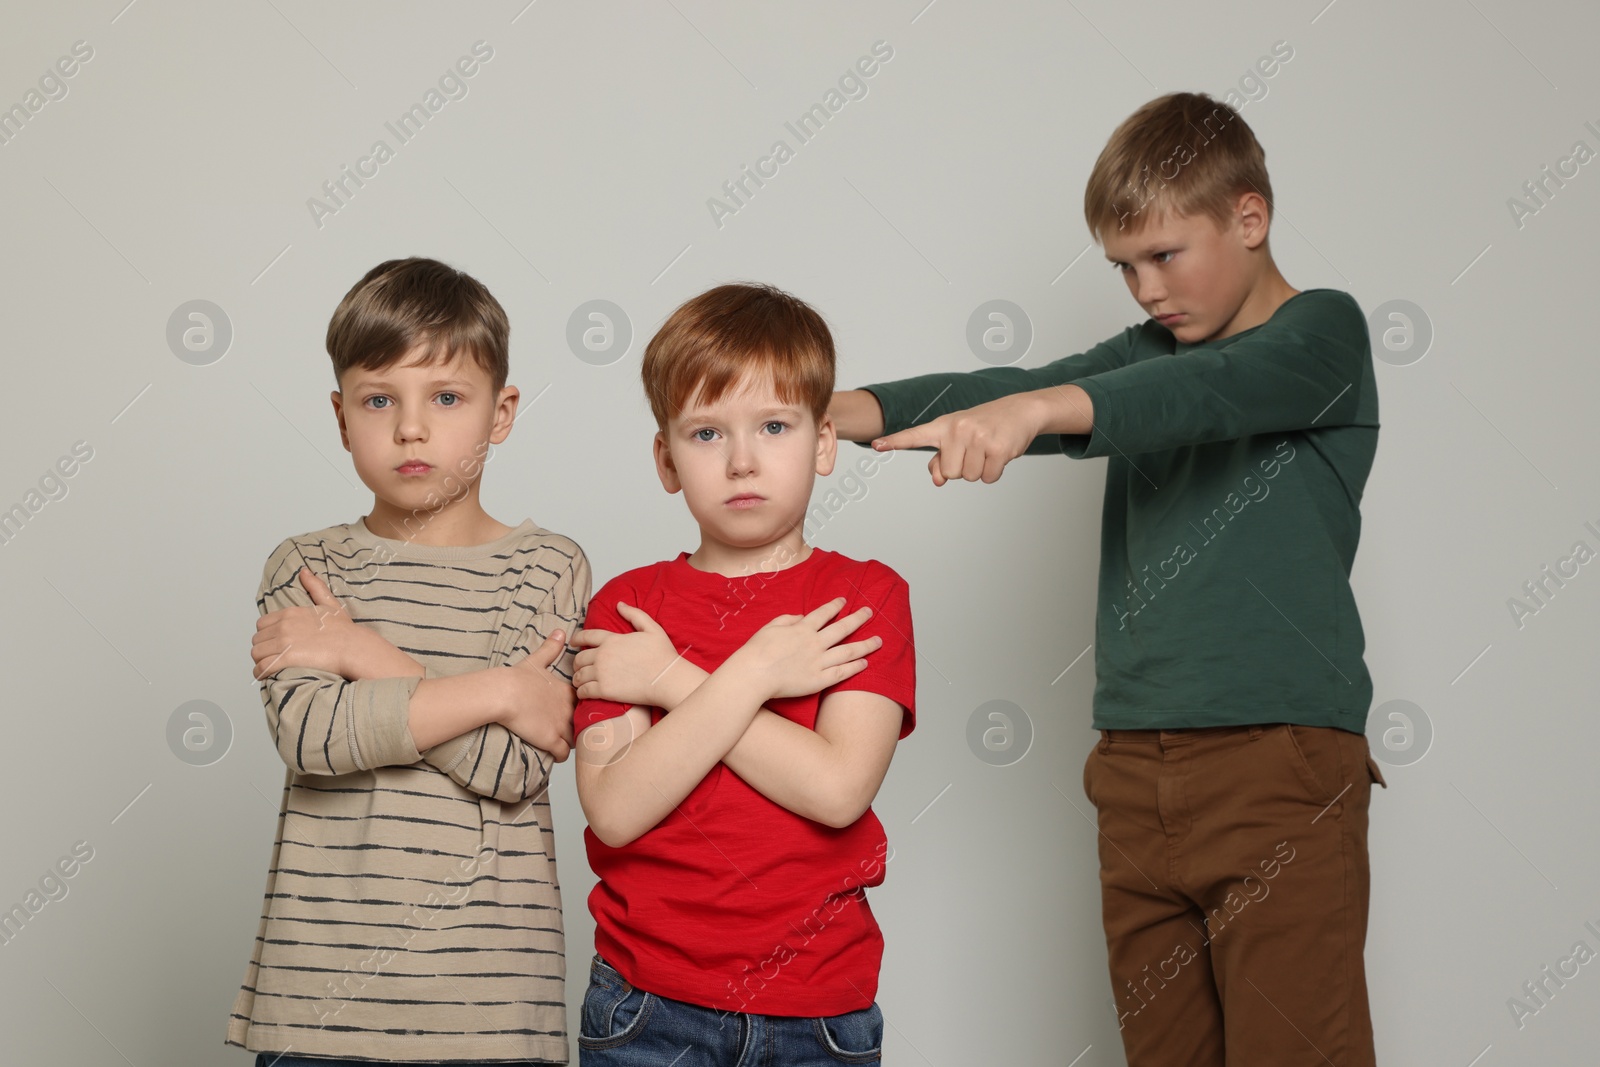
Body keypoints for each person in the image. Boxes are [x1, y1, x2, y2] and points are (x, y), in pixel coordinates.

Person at [829, 91, 1387, 1066]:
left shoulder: (1322, 335)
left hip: (1278, 763)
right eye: (1123, 267)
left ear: (1248, 219)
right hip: (1133, 771)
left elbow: (1196, 398)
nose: (1142, 290)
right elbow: (1007, 391)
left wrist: (1040, 408)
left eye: (1163, 255)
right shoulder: (1140, 357)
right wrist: (828, 409)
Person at [225, 257, 589, 1065]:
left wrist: (359, 648)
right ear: (341, 413)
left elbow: (511, 765)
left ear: (503, 411)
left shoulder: (546, 566)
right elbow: (315, 738)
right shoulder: (308, 564)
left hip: (491, 1005)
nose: (411, 428)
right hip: (315, 1002)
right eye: (379, 398)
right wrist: (499, 689)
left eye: (447, 398)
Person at [565, 282, 915, 1065]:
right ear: (666, 458)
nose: (743, 459)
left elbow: (835, 790)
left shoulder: (866, 597)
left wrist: (677, 680)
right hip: (646, 1003)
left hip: (817, 1008)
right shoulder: (628, 606)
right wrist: (753, 670)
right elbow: (616, 809)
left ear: (824, 442)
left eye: (774, 425)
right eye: (706, 433)